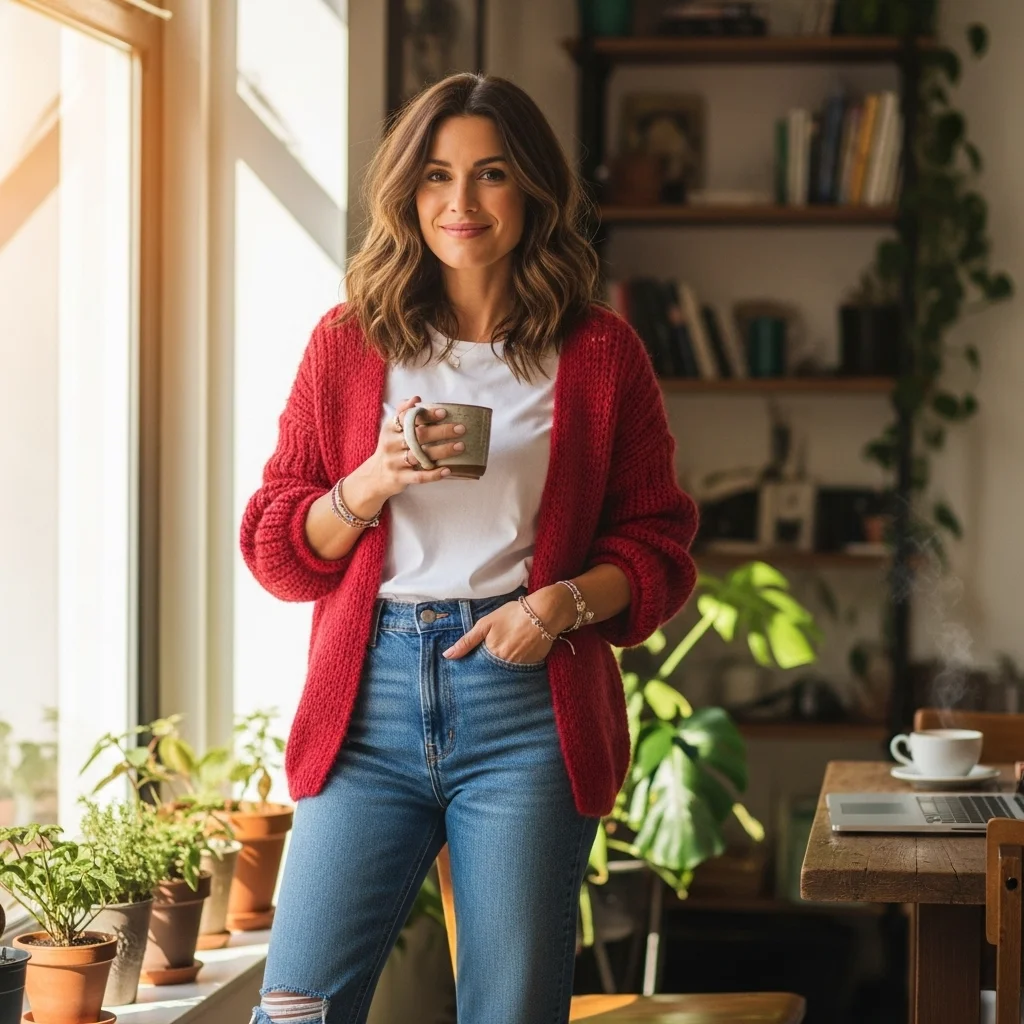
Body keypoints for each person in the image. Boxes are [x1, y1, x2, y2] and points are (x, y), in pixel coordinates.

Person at [241, 72, 698, 1024]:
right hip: (366, 706)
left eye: (490, 174)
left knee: (511, 1010)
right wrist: (371, 481)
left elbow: (658, 545)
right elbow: (279, 551)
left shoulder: (601, 353)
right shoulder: (347, 344)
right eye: (437, 175)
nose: (461, 202)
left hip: (526, 709)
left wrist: (557, 606)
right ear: (408, 192)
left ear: (530, 188)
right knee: (294, 1009)